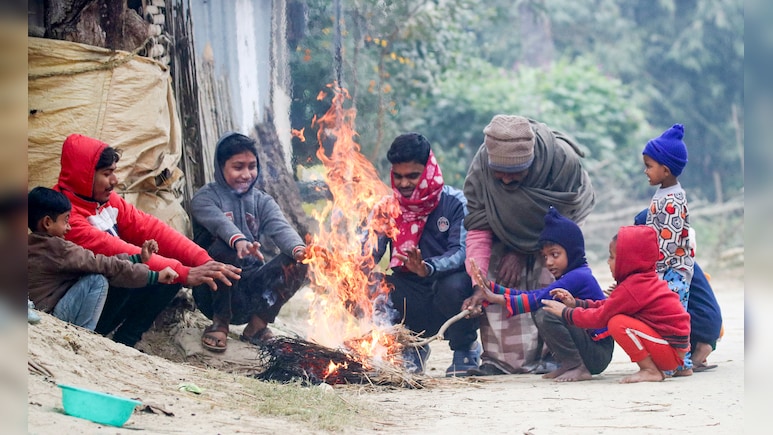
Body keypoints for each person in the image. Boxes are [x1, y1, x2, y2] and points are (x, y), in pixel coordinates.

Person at [53, 134, 241, 347]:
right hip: (79, 311)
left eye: (114, 172)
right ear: (84, 176)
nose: (114, 181)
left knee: (172, 266)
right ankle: (106, 337)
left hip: (112, 293)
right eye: (107, 174)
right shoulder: (65, 215)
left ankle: (127, 340)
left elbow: (149, 227)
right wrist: (185, 273)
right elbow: (114, 250)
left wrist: (202, 260)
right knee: (154, 270)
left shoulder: (104, 201)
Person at [461, 114, 595, 375]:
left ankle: (558, 355)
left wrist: (522, 251)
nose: (507, 181)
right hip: (502, 229)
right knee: (494, 277)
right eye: (499, 174)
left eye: (515, 173)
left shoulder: (561, 161)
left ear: (532, 163)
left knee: (553, 272)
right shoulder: (481, 168)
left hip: (559, 227)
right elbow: (478, 228)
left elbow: (563, 222)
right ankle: (500, 362)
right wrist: (478, 285)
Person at [372, 133, 481, 376]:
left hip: (446, 290)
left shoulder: (455, 203)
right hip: (409, 294)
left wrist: (427, 267)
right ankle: (407, 346)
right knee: (363, 284)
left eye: (412, 176)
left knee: (454, 285)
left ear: (429, 170)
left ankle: (466, 348)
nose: (403, 184)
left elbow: (462, 252)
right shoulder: (385, 208)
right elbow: (367, 254)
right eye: (398, 176)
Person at [190, 132, 309, 353]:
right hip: (213, 291)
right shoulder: (204, 199)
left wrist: (300, 251)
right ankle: (220, 323)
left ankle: (257, 325)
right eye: (238, 167)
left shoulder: (262, 200)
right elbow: (220, 225)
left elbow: (280, 228)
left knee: (300, 261)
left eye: (252, 166)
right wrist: (239, 242)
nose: (247, 174)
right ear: (220, 166)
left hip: (251, 291)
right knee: (224, 248)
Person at [469, 207, 613, 381]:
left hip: (598, 352)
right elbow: (535, 294)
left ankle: (576, 365)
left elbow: (538, 299)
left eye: (555, 254)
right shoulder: (572, 274)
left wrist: (496, 298)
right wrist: (492, 287)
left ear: (573, 251)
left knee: (545, 311)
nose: (549, 262)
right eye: (545, 257)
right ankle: (570, 363)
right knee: (544, 308)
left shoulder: (578, 276)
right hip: (593, 349)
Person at [541, 225, 691, 383]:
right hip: (671, 348)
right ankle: (652, 368)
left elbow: (600, 317)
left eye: (612, 257)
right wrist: (576, 303)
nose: (608, 262)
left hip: (671, 351)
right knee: (617, 318)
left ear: (629, 261)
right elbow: (608, 305)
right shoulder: (639, 280)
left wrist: (566, 313)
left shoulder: (635, 287)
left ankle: (650, 370)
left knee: (617, 323)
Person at [27, 187, 178, 330]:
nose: (69, 227)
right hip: (51, 317)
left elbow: (101, 261)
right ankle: (83, 334)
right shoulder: (58, 248)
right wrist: (155, 276)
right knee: (97, 280)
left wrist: (137, 259)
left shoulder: (29, 244)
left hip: (38, 310)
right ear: (47, 222)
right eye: (66, 220)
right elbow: (100, 263)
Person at [633, 209, 722, 372]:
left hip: (701, 327)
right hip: (709, 324)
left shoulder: (671, 265)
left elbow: (672, 306)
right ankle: (698, 353)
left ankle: (686, 359)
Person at [641, 123, 695, 375]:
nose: (645, 171)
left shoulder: (673, 200)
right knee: (670, 314)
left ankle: (679, 364)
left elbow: (669, 243)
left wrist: (654, 269)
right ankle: (678, 363)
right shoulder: (664, 193)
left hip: (673, 269)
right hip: (664, 267)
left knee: (674, 316)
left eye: (649, 166)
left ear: (665, 169)